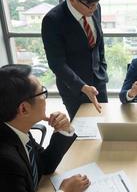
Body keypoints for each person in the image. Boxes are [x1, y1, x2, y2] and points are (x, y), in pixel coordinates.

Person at [0, 64, 90, 192]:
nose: (45, 98)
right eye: (42, 92)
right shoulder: (6, 162)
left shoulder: (17, 128)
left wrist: (64, 130)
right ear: (24, 109)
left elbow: (45, 165)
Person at [42, 0, 108, 120]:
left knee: (104, 122)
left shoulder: (94, 7)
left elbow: (99, 44)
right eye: (90, 5)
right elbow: (56, 63)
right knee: (83, 130)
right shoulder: (53, 20)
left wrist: (102, 68)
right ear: (72, 0)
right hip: (73, 87)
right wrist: (82, 87)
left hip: (98, 80)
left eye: (97, 4)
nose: (94, 9)